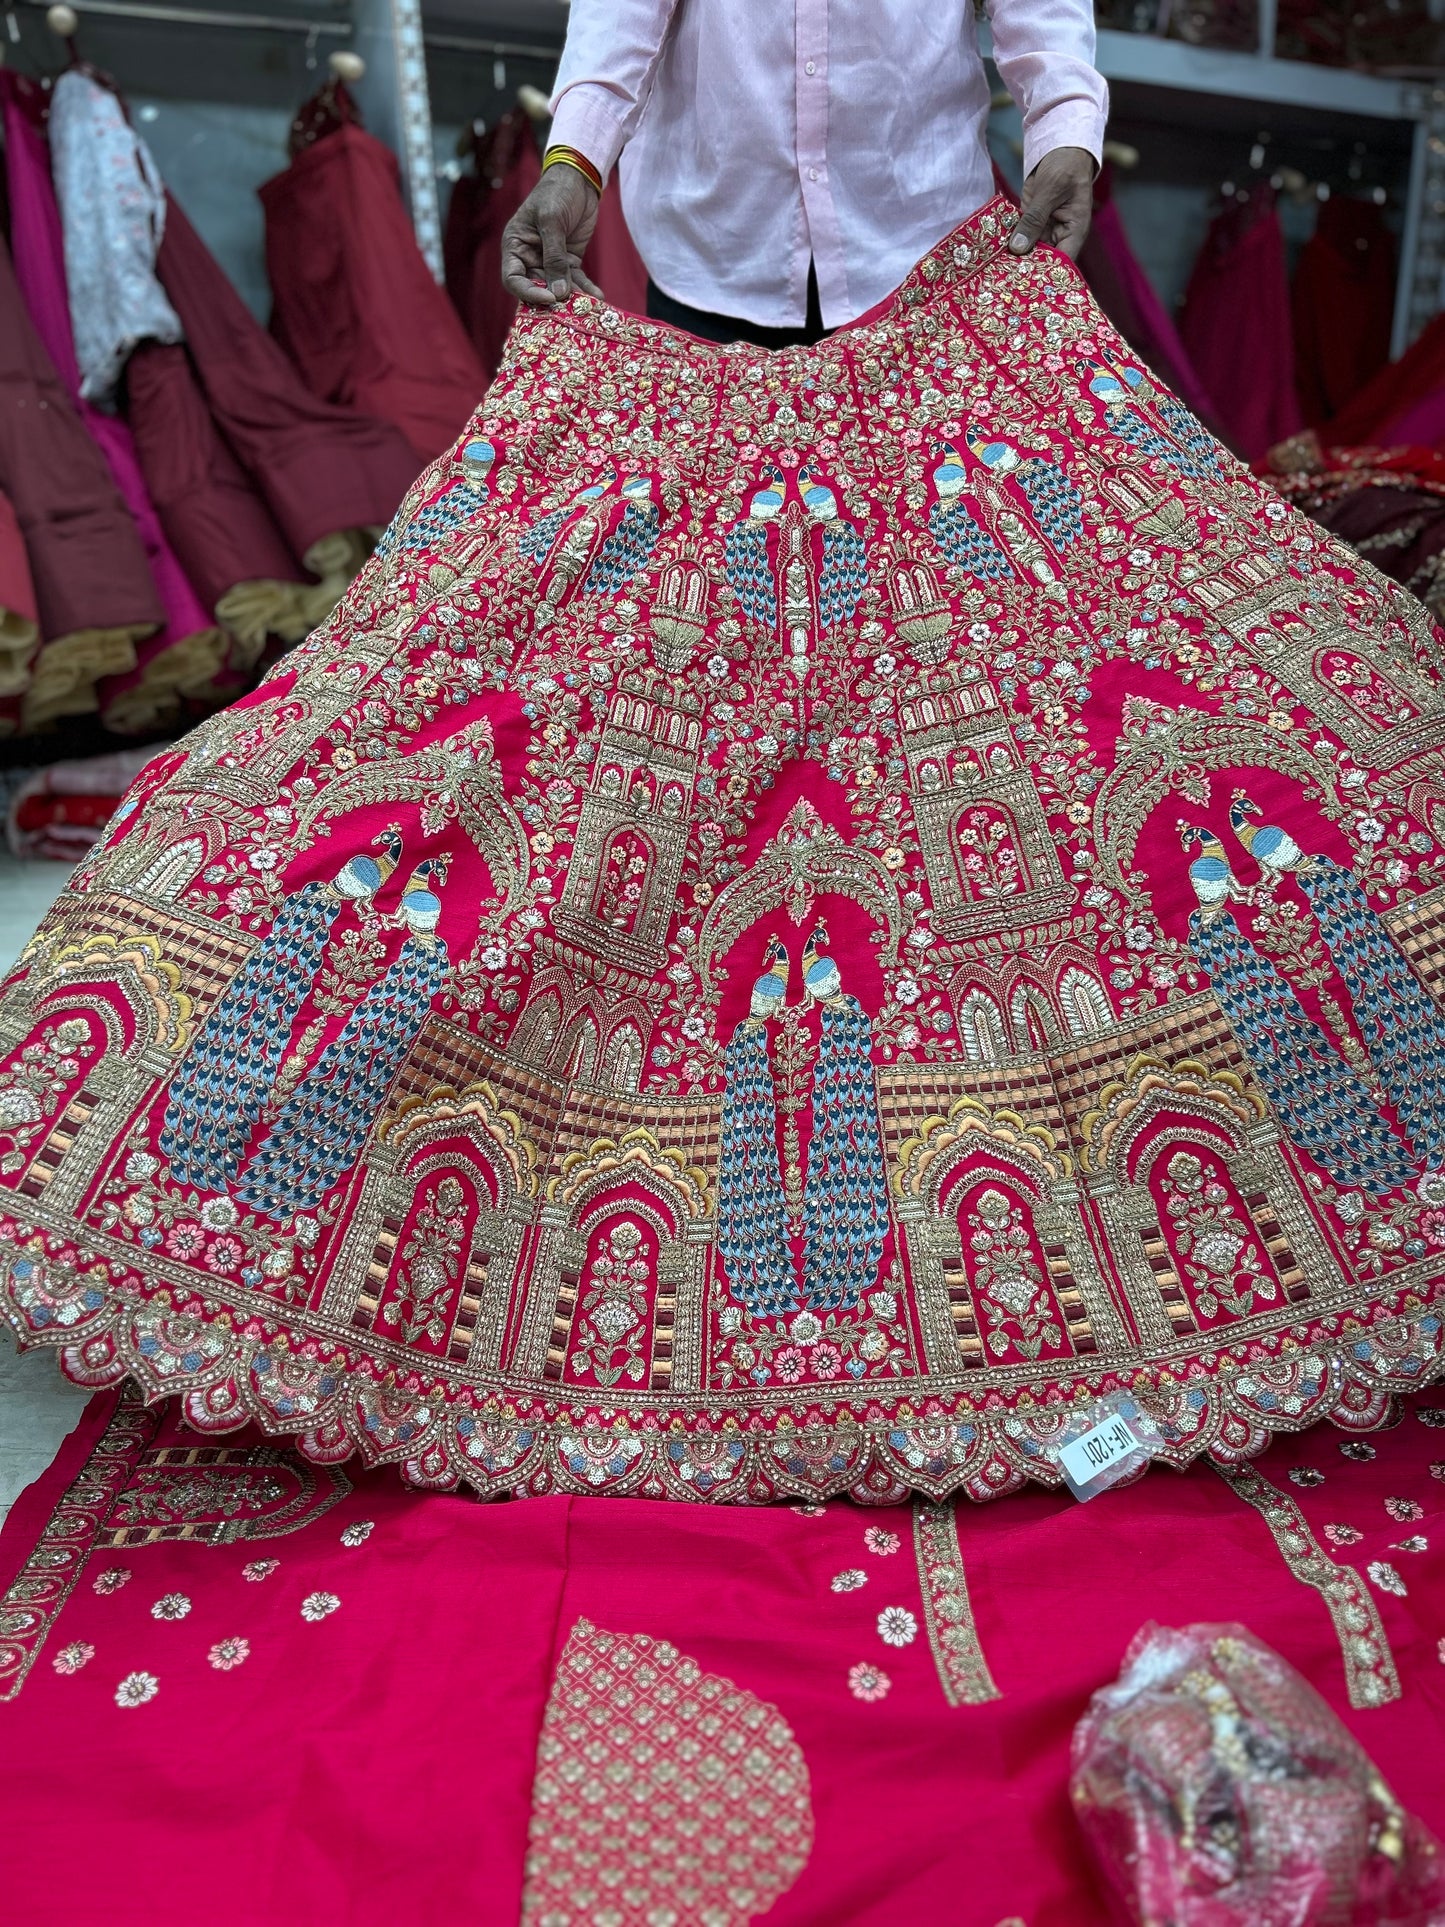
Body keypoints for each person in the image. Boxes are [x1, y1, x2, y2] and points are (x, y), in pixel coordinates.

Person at [501, 0, 1107, 348]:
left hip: (919, 245)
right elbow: (622, 12)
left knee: (914, 542)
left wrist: (1066, 128)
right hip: (714, 244)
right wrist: (574, 159)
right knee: (716, 547)